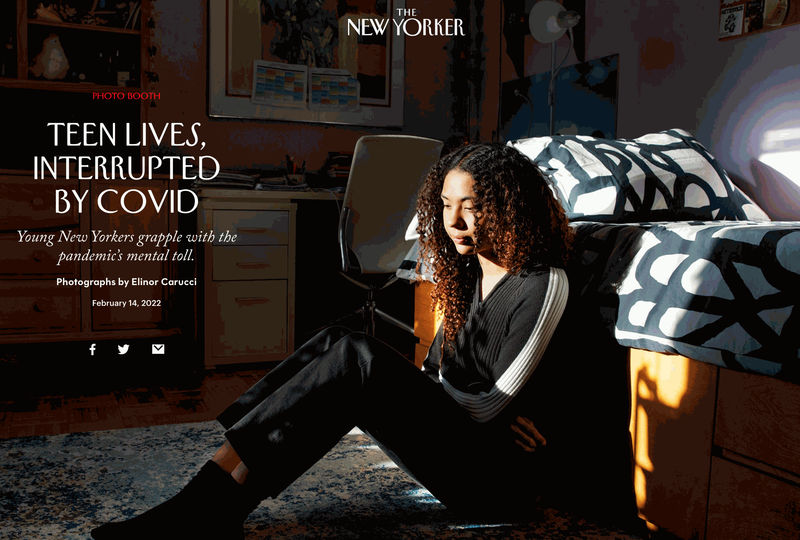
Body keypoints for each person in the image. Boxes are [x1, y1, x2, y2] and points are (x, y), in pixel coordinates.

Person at [91, 142, 574, 540]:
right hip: (466, 447)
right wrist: (477, 402)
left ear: (510, 207)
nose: (454, 222)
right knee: (337, 338)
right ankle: (215, 500)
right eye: (447, 206)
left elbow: (485, 407)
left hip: (499, 484)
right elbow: (442, 377)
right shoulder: (466, 275)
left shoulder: (543, 283)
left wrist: (492, 409)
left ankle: (202, 506)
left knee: (357, 355)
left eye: (472, 207)